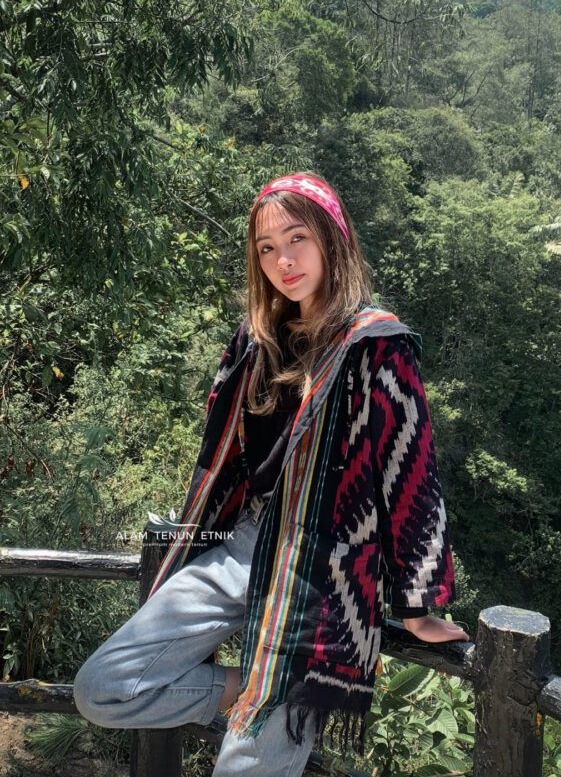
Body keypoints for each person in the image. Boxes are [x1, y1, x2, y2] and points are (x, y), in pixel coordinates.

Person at [73, 171, 469, 776]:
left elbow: (410, 473)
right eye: (266, 247)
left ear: (333, 239)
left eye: (297, 238)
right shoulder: (257, 341)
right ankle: (258, 687)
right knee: (103, 687)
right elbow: (221, 457)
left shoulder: (376, 344)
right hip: (246, 542)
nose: (283, 260)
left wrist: (418, 604)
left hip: (323, 573)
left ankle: (286, 686)